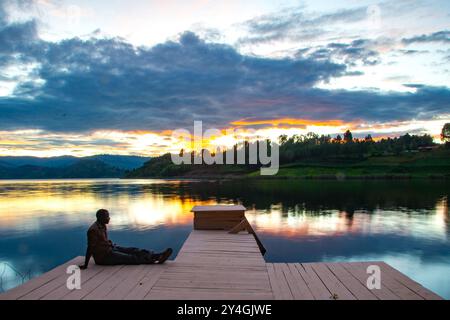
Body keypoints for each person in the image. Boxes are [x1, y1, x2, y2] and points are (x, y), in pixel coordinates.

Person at [79, 209, 172, 269]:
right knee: (130, 258)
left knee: (133, 250)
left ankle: (157, 255)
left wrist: (110, 245)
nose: (109, 218)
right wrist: (86, 265)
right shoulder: (93, 230)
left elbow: (102, 242)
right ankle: (154, 259)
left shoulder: (102, 225)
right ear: (100, 218)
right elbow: (90, 248)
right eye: (107, 216)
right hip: (104, 257)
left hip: (110, 248)